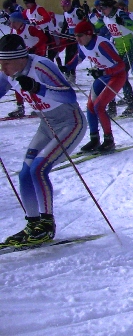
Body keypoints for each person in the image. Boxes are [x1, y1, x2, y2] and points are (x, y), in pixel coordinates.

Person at [0, 34, 87, 246]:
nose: (3, 69)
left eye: (6, 64)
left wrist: (36, 88)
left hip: (70, 122)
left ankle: (46, 225)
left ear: (21, 58)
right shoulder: (9, 73)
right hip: (46, 124)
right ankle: (32, 224)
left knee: (39, 169)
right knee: (24, 174)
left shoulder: (41, 66)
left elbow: (69, 96)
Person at [67, 20, 126, 153]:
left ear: (89, 34)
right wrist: (67, 66)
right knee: (90, 106)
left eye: (80, 35)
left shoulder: (102, 44)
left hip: (116, 76)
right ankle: (94, 139)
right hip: (103, 76)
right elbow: (80, 57)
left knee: (99, 106)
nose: (77, 39)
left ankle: (109, 140)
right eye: (75, 36)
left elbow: (121, 65)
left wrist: (104, 72)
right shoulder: (82, 44)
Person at [95, 0, 133, 117]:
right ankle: (111, 106)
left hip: (129, 46)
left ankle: (132, 105)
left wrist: (124, 22)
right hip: (118, 48)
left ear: (110, 6)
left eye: (103, 8)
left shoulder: (120, 14)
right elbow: (95, 27)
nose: (102, 10)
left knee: (122, 75)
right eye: (100, 8)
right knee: (112, 75)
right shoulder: (104, 17)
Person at [6, 12, 47, 118]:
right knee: (17, 80)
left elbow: (43, 38)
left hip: (34, 58)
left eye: (14, 22)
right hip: (21, 60)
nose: (12, 24)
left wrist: (35, 47)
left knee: (33, 82)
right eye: (11, 22)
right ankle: (20, 107)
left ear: (20, 21)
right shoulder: (13, 31)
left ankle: (39, 105)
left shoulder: (30, 29)